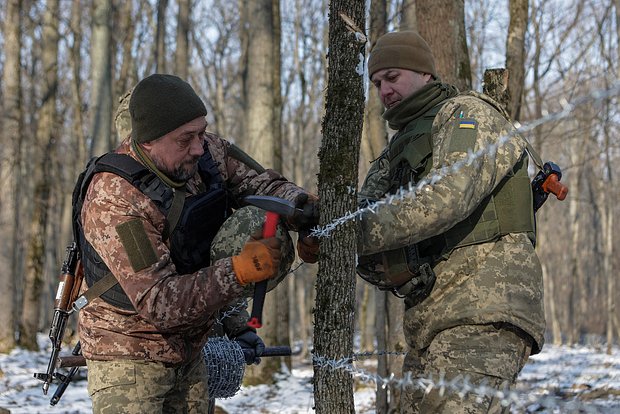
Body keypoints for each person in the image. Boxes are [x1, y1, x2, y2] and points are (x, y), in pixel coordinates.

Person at [76, 74, 318, 413]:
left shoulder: (206, 153)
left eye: (202, 132)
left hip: (191, 350)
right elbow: (159, 302)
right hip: (127, 354)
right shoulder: (116, 198)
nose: (199, 147)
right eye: (185, 139)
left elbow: (263, 185)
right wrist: (238, 272)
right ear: (147, 142)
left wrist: (303, 212)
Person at [356, 31, 545, 413]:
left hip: (484, 312)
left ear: (424, 73)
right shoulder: (398, 148)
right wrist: (321, 232)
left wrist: (351, 232)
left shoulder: (468, 114)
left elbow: (447, 198)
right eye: (376, 83)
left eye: (392, 77)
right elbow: (362, 217)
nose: (384, 91)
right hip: (431, 322)